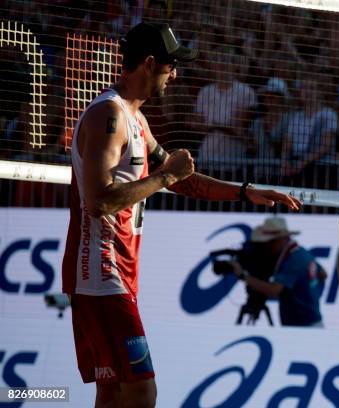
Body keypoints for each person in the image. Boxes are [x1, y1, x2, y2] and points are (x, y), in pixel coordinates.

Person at [61, 22, 301, 408]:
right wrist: (165, 175)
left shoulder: (134, 118)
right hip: (100, 274)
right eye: (171, 65)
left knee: (113, 391)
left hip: (115, 271)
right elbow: (100, 201)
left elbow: (182, 181)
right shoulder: (109, 115)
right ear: (150, 63)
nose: (175, 74)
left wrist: (245, 191)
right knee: (141, 390)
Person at [232, 217, 326, 327]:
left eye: (271, 241)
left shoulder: (293, 259)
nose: (268, 246)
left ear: (283, 238)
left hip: (304, 326)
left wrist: (243, 276)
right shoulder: (300, 252)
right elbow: (323, 273)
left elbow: (274, 290)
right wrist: (309, 290)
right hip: (307, 322)